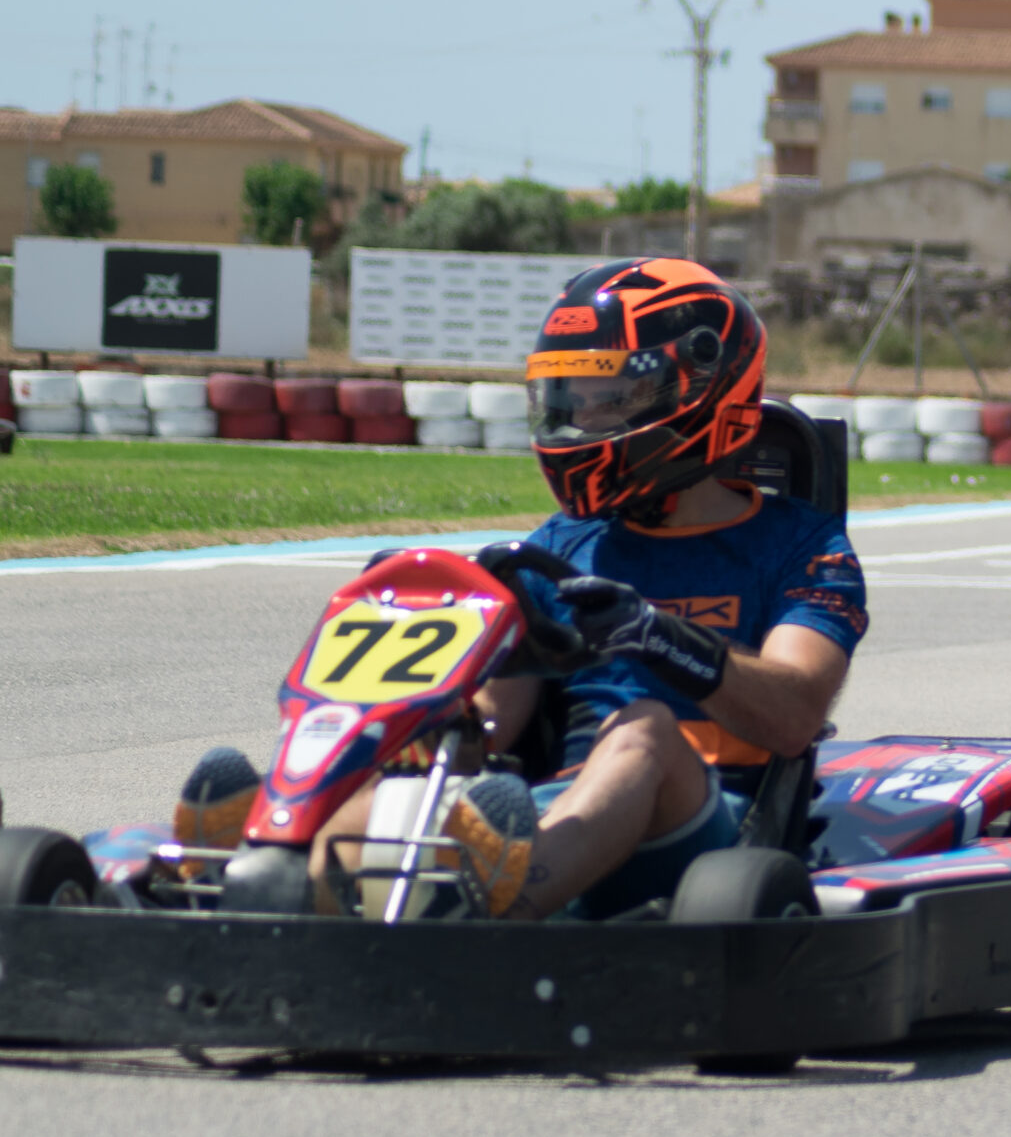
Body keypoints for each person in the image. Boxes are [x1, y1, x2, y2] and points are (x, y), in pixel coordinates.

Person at [181, 259, 867, 918]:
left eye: (609, 399)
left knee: (642, 731)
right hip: (548, 815)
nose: (581, 423)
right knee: (408, 752)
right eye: (570, 399)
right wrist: (424, 726)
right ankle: (273, 879)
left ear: (696, 391)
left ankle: (484, 919)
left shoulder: (801, 546)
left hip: (708, 830)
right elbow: (491, 721)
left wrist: (660, 637)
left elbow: (795, 711)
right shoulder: (558, 547)